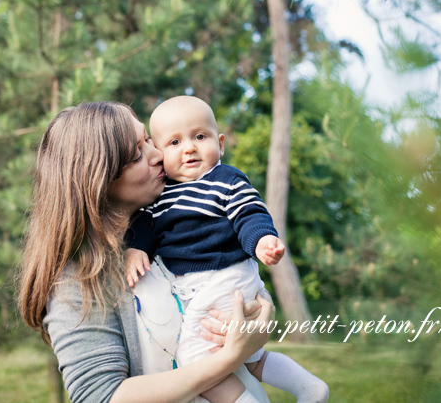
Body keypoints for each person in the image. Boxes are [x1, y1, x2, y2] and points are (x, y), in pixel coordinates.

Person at [18, 102, 273, 403]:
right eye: (137, 154)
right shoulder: (75, 282)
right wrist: (229, 358)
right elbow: (99, 397)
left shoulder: (173, 224)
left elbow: (227, 282)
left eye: (148, 140)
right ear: (97, 181)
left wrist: (257, 313)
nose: (158, 155)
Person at [125, 96, 330, 403]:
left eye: (199, 137)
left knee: (195, 360)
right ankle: (309, 388)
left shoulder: (225, 180)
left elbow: (249, 214)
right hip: (204, 285)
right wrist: (135, 250)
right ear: (159, 151)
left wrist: (262, 241)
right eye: (175, 142)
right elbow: (145, 228)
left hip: (224, 276)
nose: (190, 148)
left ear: (219, 144)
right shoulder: (160, 196)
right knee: (251, 357)